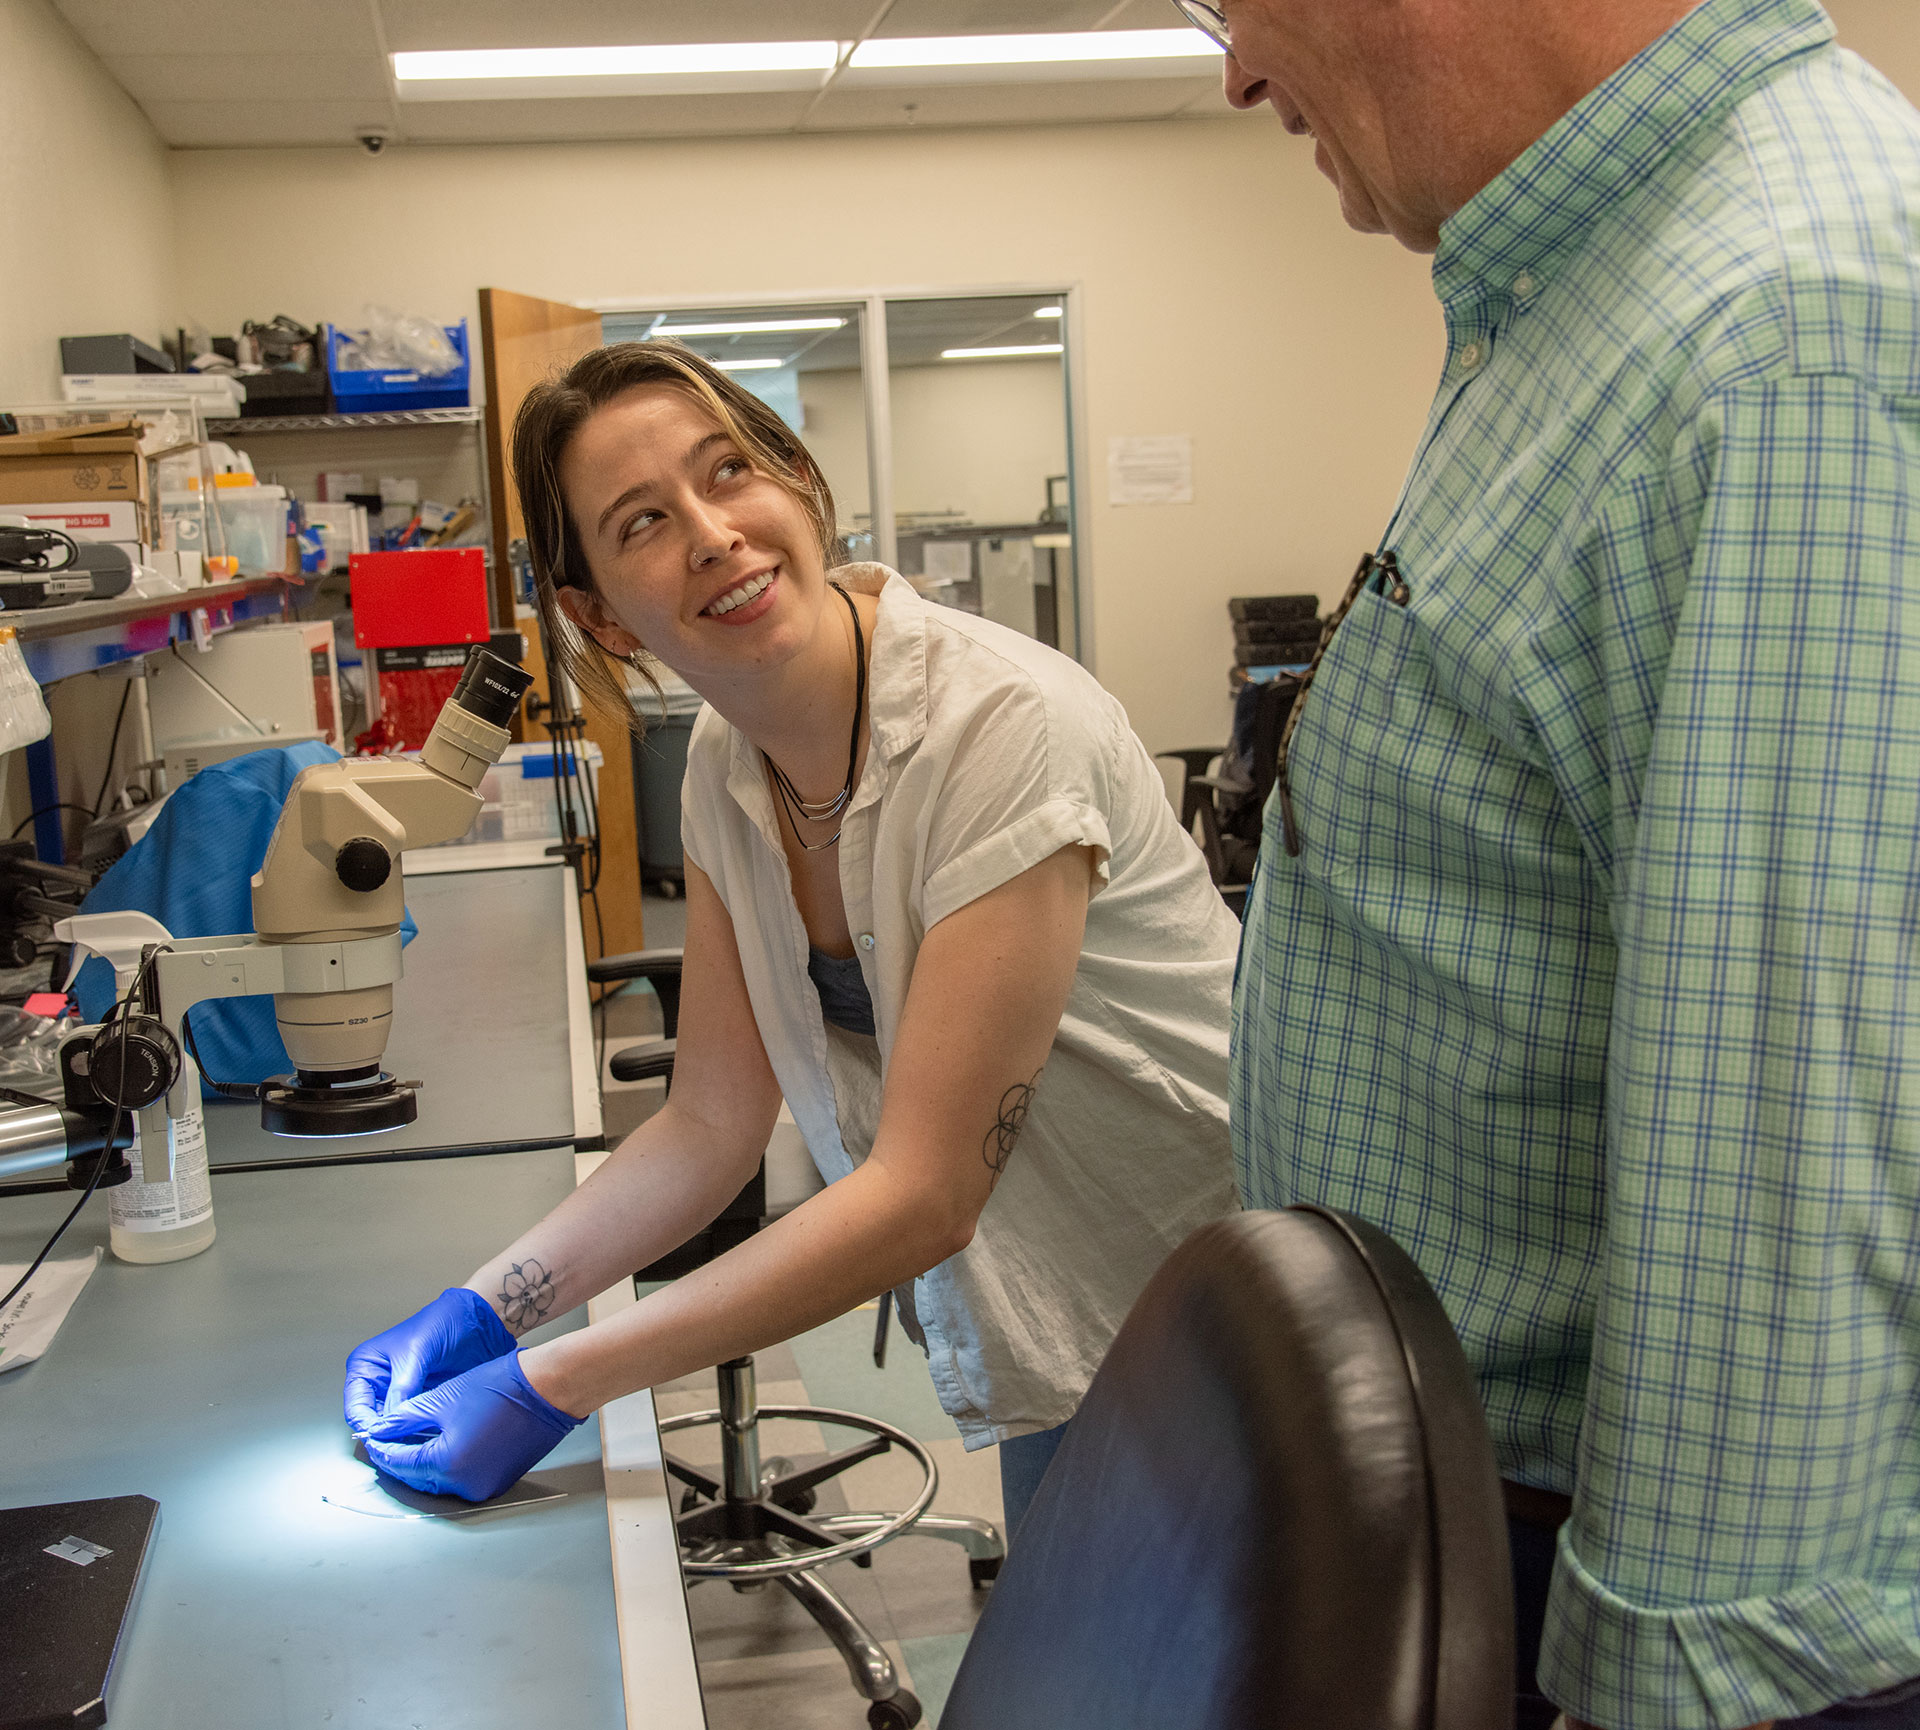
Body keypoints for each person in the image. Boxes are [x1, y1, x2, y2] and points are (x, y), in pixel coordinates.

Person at [1193, 0, 1920, 1723]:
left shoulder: (1787, 329)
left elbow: (1782, 1176)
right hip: (1482, 1533)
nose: (1232, 72)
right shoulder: (1598, 290)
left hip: (1658, 1611)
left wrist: (1649, 1683)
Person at [341, 341, 1242, 1542]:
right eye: (644, 521)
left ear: (801, 484)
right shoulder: (728, 763)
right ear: (597, 612)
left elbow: (922, 1194)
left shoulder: (1002, 731)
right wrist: (489, 1306)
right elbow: (711, 1123)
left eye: (730, 470)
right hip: (1070, 1306)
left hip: (1216, 1293)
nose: (714, 532)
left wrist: (556, 1379)